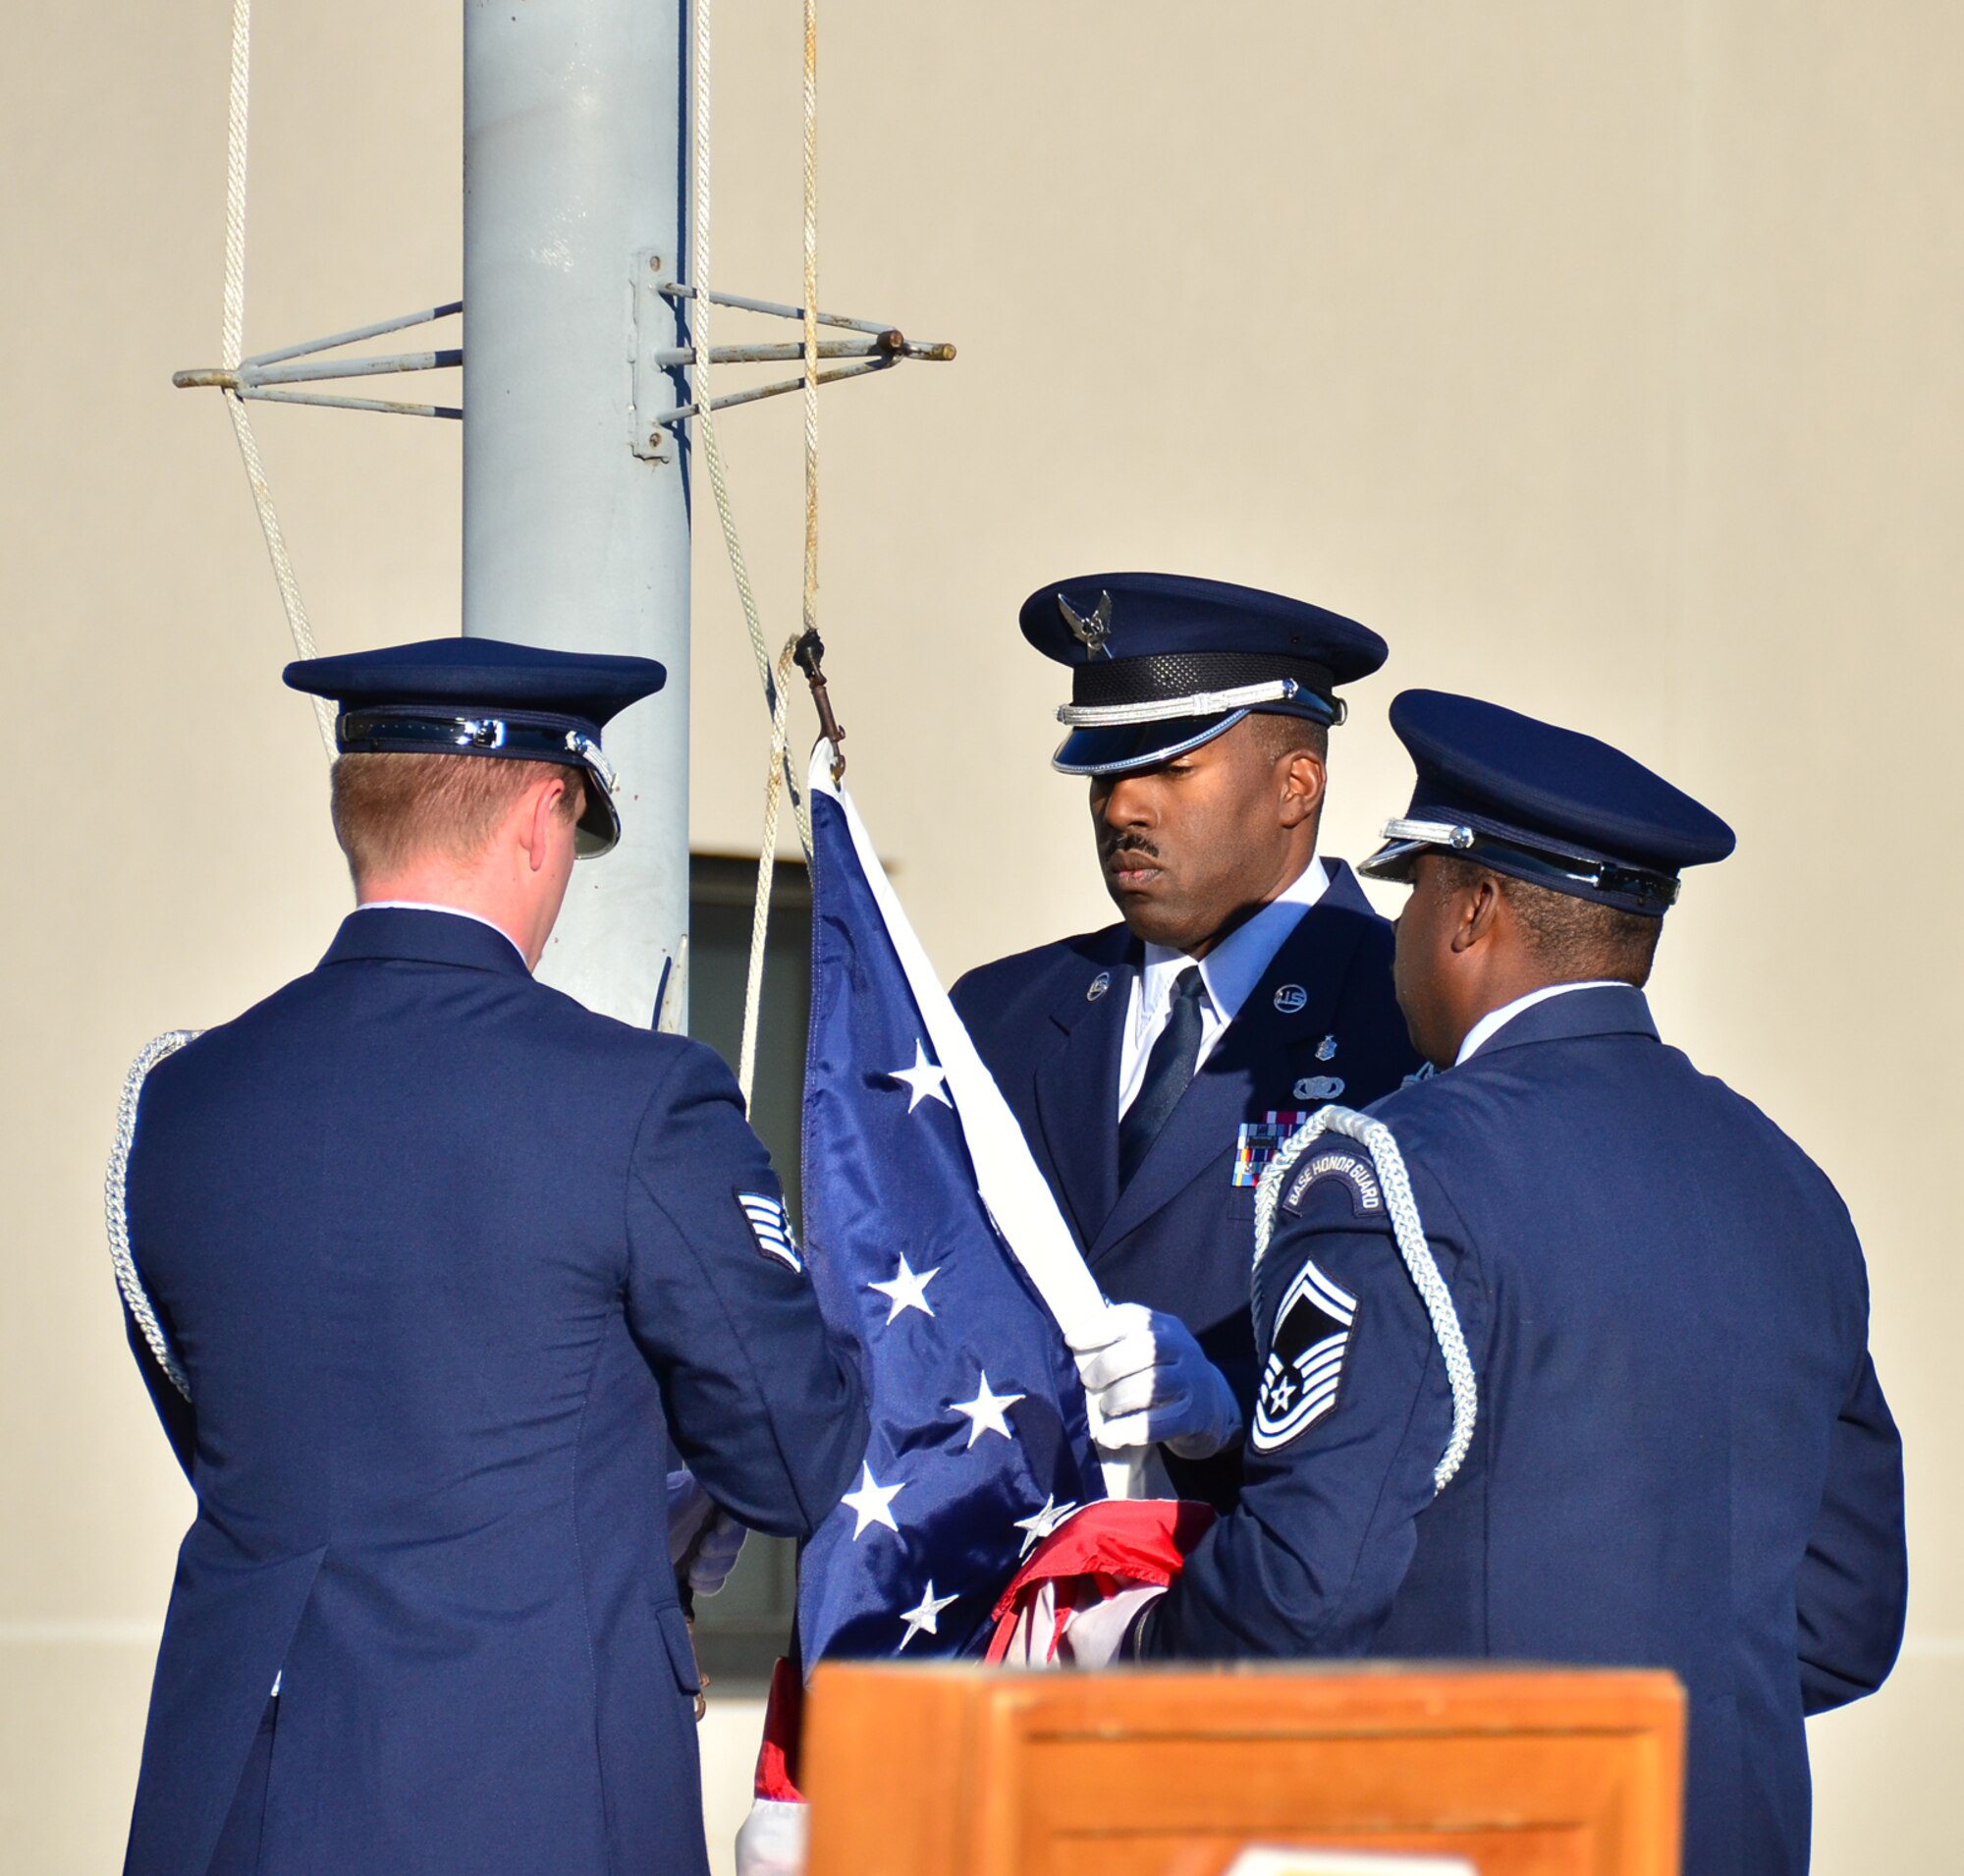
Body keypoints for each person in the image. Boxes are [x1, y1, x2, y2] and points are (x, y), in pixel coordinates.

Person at [112, 637, 867, 1876]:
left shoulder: (181, 1101)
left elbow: (236, 1432)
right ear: (540, 813)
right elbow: (790, 1457)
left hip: (235, 1804)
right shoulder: (637, 1100)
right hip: (527, 1793)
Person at [1133, 689, 1907, 1875]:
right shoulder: (1787, 1188)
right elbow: (1844, 1617)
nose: (1393, 934)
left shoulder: (1387, 1165)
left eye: (1411, 895)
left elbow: (1300, 1590)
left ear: (1473, 908)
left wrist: (1124, 1653)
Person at [952, 574, 1420, 1508]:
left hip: (1255, 1603)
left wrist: (1234, 1408)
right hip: (1003, 1605)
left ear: (1297, 785)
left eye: (1170, 768)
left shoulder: (1406, 1016)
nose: (1122, 806)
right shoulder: (1002, 1011)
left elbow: (1441, 1356)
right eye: (1105, 770)